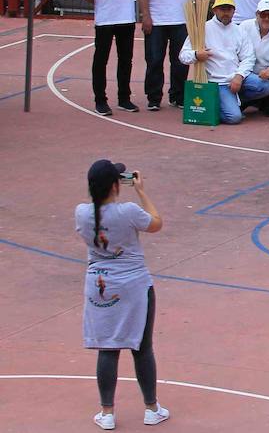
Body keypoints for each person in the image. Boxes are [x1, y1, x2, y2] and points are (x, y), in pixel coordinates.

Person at [77, 160, 169, 429]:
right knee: (142, 347)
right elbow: (156, 223)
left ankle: (107, 413)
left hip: (99, 283)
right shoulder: (127, 211)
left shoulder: (81, 213)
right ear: (117, 185)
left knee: (107, 348)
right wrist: (141, 191)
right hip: (133, 284)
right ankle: (151, 408)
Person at [178, 0, 269, 124]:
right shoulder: (202, 29)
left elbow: (248, 58)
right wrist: (196, 55)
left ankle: (232, 101)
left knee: (264, 86)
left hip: (234, 78)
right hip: (216, 83)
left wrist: (239, 76)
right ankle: (216, 106)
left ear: (234, 11)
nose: (226, 13)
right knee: (234, 118)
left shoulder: (239, 31)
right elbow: (183, 55)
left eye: (229, 9)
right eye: (222, 9)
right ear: (214, 10)